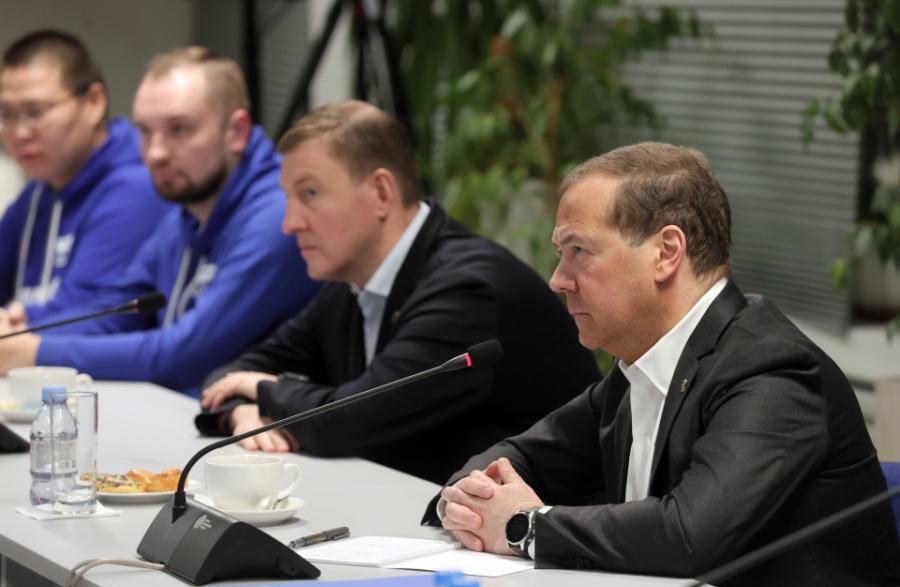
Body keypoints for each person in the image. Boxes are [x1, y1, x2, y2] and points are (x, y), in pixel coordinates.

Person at [424, 142, 900, 587]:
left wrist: (523, 526)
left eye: (579, 251)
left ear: (667, 252)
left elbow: (690, 535)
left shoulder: (772, 370)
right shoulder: (639, 368)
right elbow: (521, 455)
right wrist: (469, 499)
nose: (557, 280)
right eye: (560, 253)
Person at [197, 100, 599, 484]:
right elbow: (231, 373)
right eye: (288, 198)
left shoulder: (468, 290)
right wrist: (243, 413)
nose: (289, 223)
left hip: (537, 524)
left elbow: (349, 421)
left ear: (381, 193)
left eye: (310, 194)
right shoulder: (350, 285)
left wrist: (262, 390)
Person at [0, 47, 319, 396]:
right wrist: (22, 333)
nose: (156, 153)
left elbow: (184, 354)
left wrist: (34, 352)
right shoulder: (185, 212)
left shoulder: (278, 217)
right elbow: (117, 311)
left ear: (237, 131)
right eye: (146, 132)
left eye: (179, 129)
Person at [0, 30, 166, 324]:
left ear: (94, 102)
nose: (20, 132)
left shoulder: (137, 187)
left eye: (35, 112)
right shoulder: (38, 192)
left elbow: (85, 316)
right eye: (7, 114)